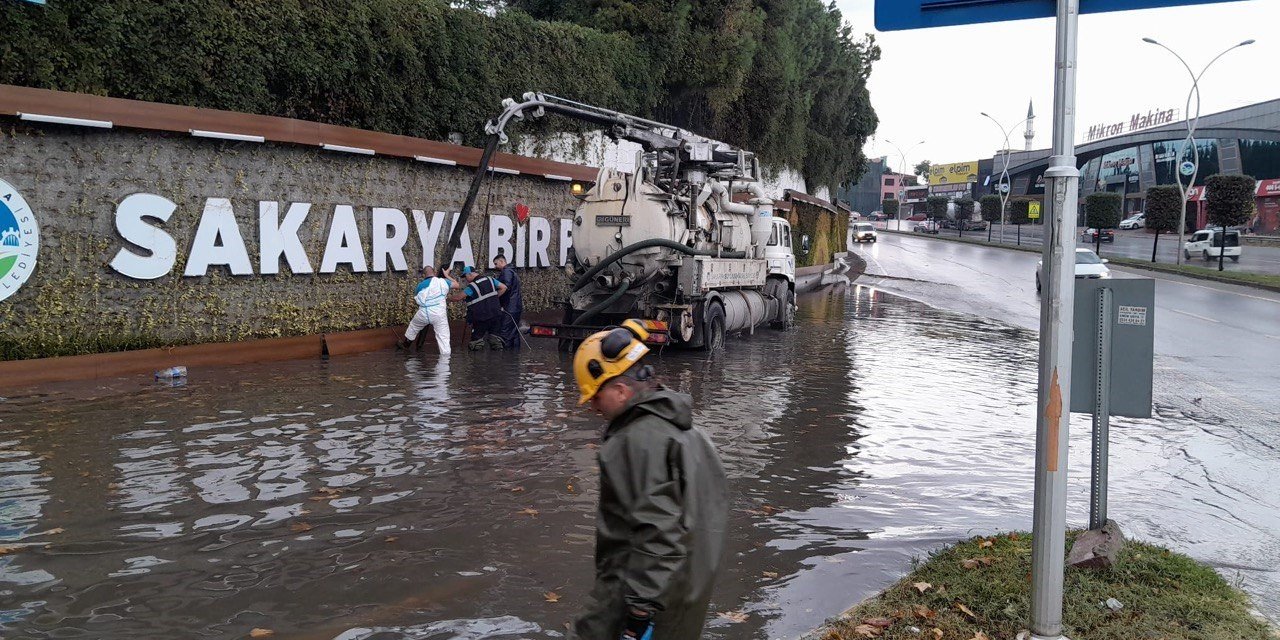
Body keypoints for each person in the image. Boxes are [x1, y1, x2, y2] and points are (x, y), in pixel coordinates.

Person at [571, 320, 728, 640]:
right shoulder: (681, 427)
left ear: (620, 389)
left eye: (596, 397)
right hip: (683, 591)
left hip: (641, 598)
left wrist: (638, 616)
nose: (594, 408)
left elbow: (658, 530)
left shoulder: (636, 439)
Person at [397, 265, 456, 355]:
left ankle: (406, 344)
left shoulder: (420, 285)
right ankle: (445, 359)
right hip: (439, 314)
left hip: (424, 313)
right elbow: (457, 285)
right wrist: (446, 275)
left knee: (413, 326)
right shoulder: (443, 282)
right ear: (434, 272)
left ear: (424, 275)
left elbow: (417, 298)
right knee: (443, 337)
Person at [449, 266, 507, 351]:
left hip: (481, 318)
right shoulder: (490, 279)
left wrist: (446, 298)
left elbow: (458, 297)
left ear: (470, 274)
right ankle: (499, 361)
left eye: (465, 277)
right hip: (496, 315)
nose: (465, 279)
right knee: (495, 340)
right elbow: (504, 287)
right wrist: (493, 298)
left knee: (476, 342)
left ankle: (477, 362)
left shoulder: (472, 286)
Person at [493, 253, 523, 349]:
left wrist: (494, 299)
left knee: (505, 333)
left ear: (502, 261)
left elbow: (505, 287)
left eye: (496, 263)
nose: (495, 266)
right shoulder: (512, 271)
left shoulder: (506, 272)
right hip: (515, 306)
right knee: (514, 332)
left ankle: (505, 358)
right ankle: (514, 357)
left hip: (509, 307)